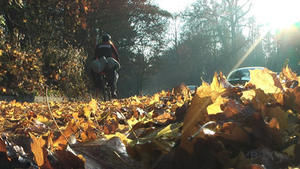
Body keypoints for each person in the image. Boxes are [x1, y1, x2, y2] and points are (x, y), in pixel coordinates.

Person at [92, 33, 120, 99]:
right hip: (108, 64)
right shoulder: (110, 45)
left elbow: (95, 55)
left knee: (94, 72)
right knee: (113, 73)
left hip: (100, 63)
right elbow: (116, 55)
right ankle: (113, 91)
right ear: (109, 40)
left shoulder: (98, 45)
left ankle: (96, 86)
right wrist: (117, 61)